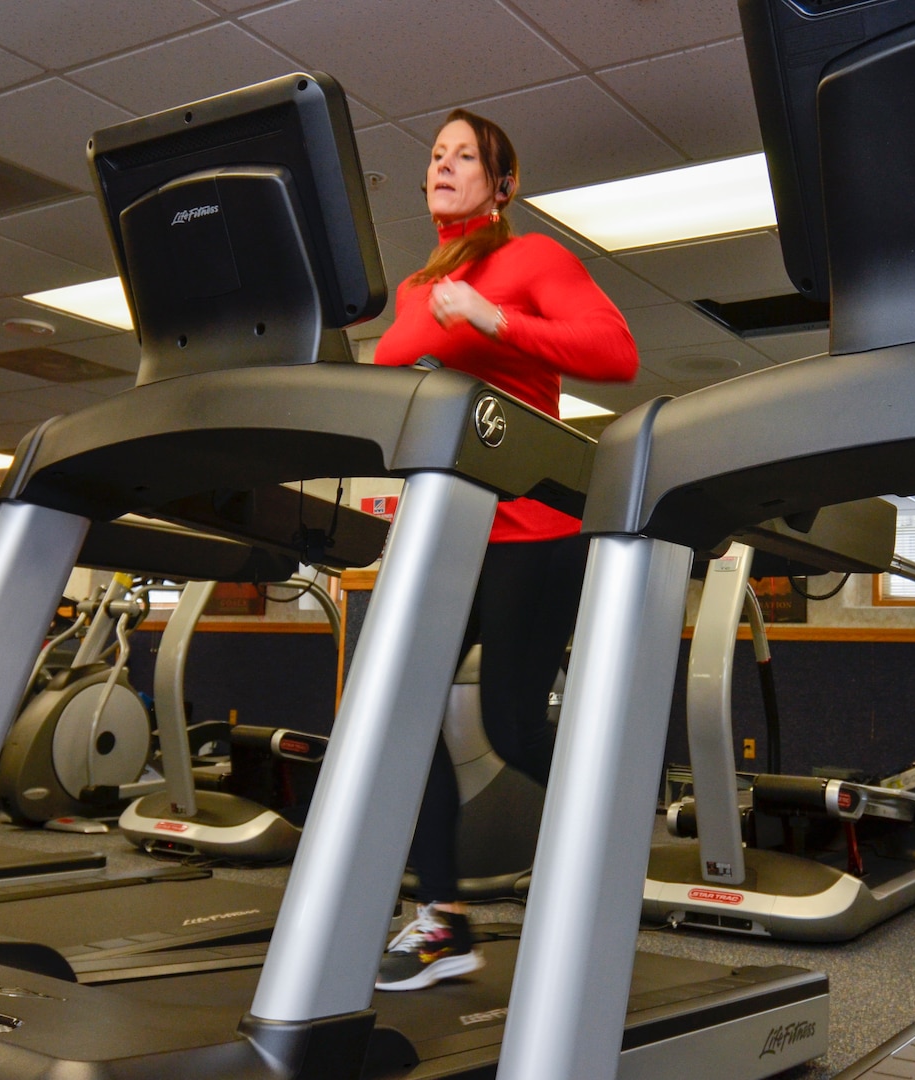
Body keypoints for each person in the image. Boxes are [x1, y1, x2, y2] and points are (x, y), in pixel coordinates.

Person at [371, 109, 639, 991]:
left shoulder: (531, 262)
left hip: (530, 533)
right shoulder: (414, 289)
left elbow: (616, 353)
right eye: (435, 156)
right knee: (396, 726)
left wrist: (494, 319)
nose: (444, 166)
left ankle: (612, 852)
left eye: (465, 156)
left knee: (515, 726)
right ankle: (443, 922)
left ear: (503, 183)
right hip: (441, 538)